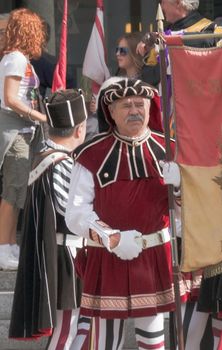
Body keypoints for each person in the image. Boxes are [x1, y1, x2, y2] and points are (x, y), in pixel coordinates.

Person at [65, 78, 175, 350]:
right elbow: (76, 212)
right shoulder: (92, 153)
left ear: (151, 108)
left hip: (153, 256)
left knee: (153, 342)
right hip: (107, 256)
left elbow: (187, 214)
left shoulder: (169, 150)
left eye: (140, 104)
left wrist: (183, 189)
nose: (135, 111)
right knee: (105, 343)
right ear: (110, 111)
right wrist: (111, 237)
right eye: (126, 105)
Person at [9, 89, 88, 349]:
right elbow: (72, 213)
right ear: (79, 130)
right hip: (66, 254)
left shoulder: (43, 157)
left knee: (79, 327)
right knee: (65, 331)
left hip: (59, 251)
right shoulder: (62, 162)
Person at [0, 8, 47, 270]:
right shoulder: (16, 59)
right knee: (13, 191)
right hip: (16, 131)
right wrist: (38, 116)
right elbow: (10, 98)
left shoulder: (16, 59)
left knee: (16, 191)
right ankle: (4, 248)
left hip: (22, 131)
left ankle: (8, 244)